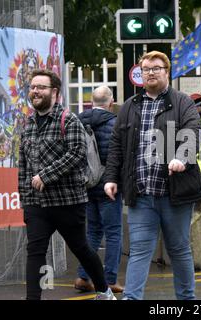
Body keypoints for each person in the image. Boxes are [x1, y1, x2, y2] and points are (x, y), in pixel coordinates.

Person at [103, 51, 201, 300]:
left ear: (166, 72)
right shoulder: (129, 106)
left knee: (179, 250)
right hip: (141, 194)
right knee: (139, 250)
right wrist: (110, 177)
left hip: (175, 194)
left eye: (156, 68)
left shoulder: (182, 102)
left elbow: (193, 131)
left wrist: (182, 157)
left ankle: (186, 300)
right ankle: (131, 297)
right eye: (146, 69)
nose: (150, 72)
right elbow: (117, 145)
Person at [18, 69, 115, 300]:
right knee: (35, 252)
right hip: (36, 204)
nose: (35, 91)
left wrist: (45, 176)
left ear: (54, 92)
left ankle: (104, 290)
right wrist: (25, 198)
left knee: (81, 248)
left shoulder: (68, 119)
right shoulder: (29, 123)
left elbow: (76, 154)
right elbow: (23, 164)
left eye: (40, 87)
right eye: (32, 87)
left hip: (67, 202)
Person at [75, 86, 124, 294]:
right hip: (108, 186)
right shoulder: (116, 123)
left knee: (92, 232)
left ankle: (83, 276)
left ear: (90, 102)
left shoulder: (77, 121)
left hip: (86, 185)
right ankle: (110, 279)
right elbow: (118, 157)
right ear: (111, 102)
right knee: (113, 233)